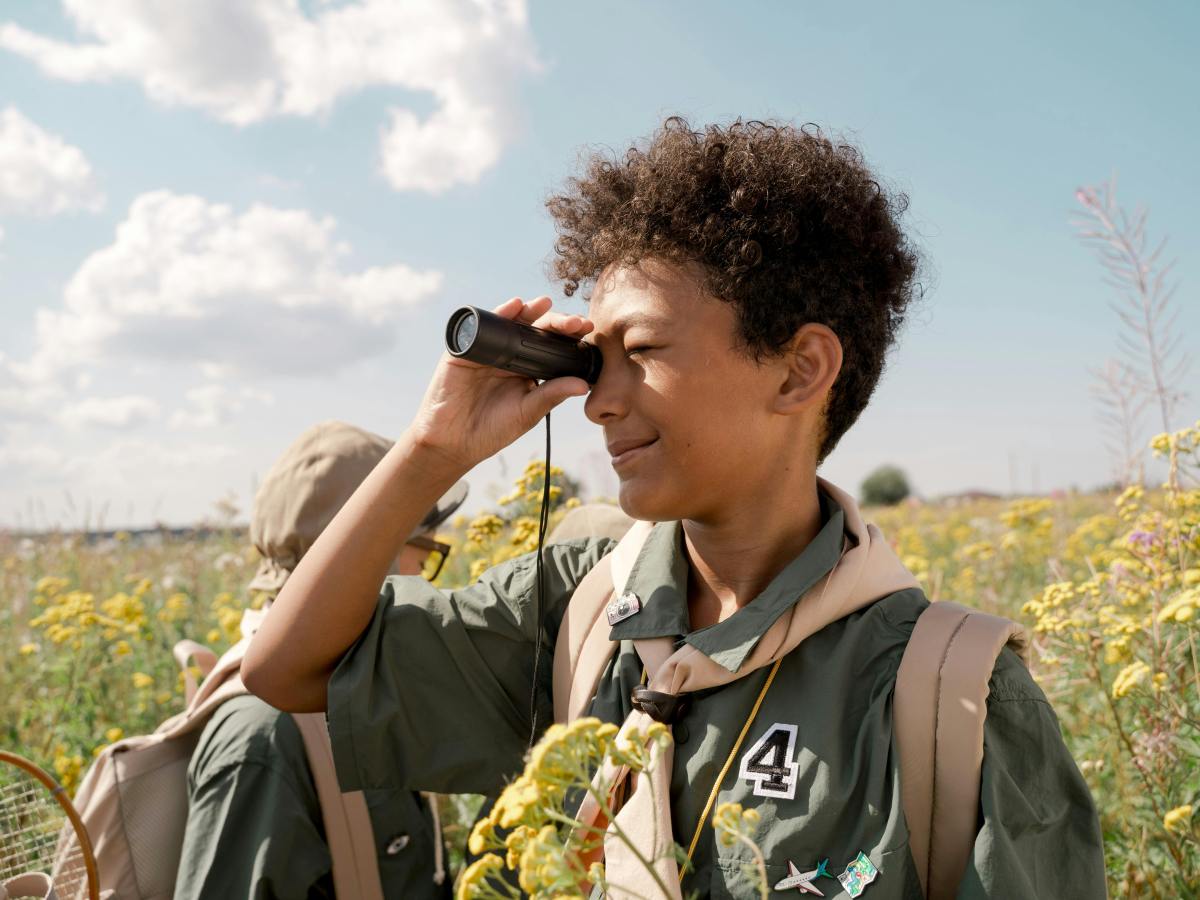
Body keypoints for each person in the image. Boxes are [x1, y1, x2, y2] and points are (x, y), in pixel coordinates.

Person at [243, 119, 1105, 898]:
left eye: (643, 350)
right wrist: (431, 448)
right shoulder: (578, 609)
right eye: (593, 358)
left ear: (800, 370)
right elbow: (288, 672)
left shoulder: (948, 695)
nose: (597, 402)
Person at [175, 420, 465, 900]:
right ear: (367, 559)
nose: (428, 577)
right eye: (425, 551)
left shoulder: (347, 691)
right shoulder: (265, 735)